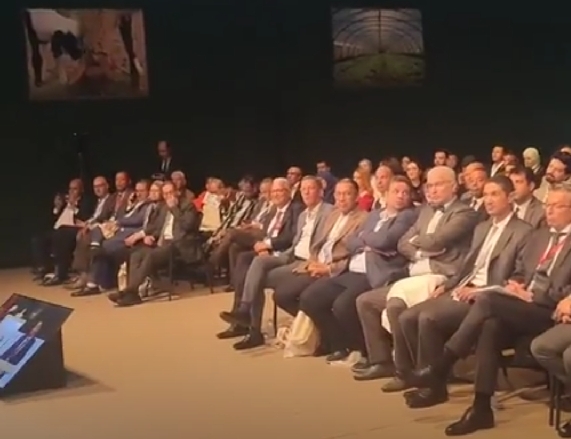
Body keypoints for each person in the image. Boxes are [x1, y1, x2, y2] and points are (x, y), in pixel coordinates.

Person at [405, 184, 571, 435]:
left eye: (558, 206)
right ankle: (481, 409)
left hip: (549, 311)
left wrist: (533, 294)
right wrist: (516, 284)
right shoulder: (540, 236)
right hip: (522, 304)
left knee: (487, 301)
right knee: (490, 326)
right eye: (548, 205)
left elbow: (566, 292)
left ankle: (441, 366)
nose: (549, 211)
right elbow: (521, 271)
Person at [396, 175, 532, 407]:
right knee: (407, 316)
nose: (488, 200)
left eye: (495, 194)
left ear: (509, 197)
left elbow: (519, 276)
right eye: (486, 195)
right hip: (463, 287)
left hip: (487, 295)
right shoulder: (482, 227)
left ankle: (434, 385)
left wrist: (481, 290)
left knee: (428, 318)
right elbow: (467, 266)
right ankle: (427, 378)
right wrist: (448, 285)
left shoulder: (523, 231)